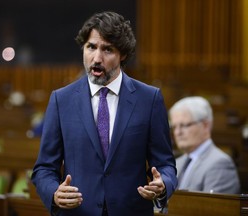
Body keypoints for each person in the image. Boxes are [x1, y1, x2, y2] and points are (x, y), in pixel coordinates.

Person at [31, 11, 177, 216]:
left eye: (107, 49)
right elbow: (44, 169)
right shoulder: (61, 100)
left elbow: (165, 164)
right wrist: (54, 193)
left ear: (123, 54)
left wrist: (163, 185)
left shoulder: (149, 99)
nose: (97, 58)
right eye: (91, 47)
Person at [169, 96, 240, 194]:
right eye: (174, 127)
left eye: (184, 125)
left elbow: (212, 207)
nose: (177, 132)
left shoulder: (220, 164)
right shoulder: (177, 163)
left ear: (205, 125)